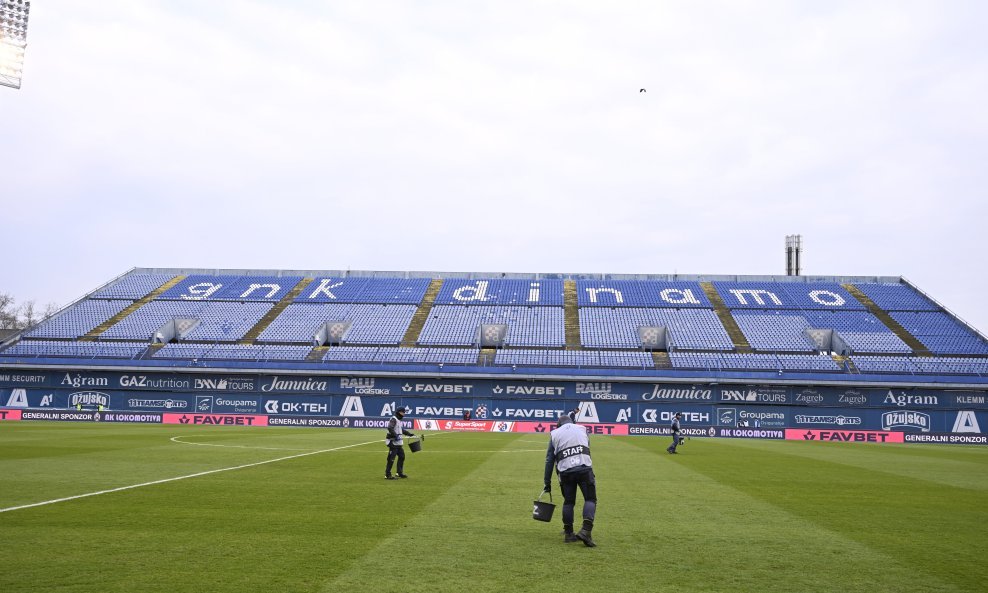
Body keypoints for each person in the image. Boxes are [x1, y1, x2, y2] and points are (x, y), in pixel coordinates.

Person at [543, 414, 597, 547]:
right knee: (590, 499)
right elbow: (587, 449)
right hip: (584, 468)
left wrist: (547, 482)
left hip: (566, 471)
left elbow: (550, 459)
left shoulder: (554, 434)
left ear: (558, 424)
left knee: (569, 502)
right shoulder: (582, 428)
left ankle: (568, 534)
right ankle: (586, 530)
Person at [385, 406, 415, 479]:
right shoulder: (393, 419)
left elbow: (401, 430)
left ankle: (399, 473)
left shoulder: (398, 420)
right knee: (391, 459)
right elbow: (389, 427)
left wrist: (409, 433)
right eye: (403, 412)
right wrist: (396, 436)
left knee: (402, 457)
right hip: (393, 443)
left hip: (398, 444)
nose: (404, 414)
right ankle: (387, 475)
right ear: (399, 412)